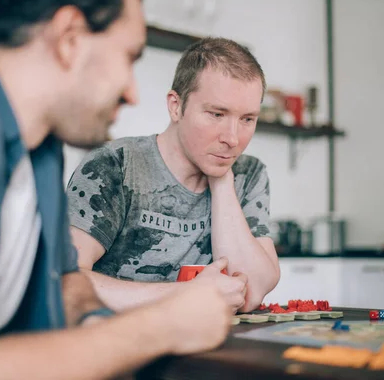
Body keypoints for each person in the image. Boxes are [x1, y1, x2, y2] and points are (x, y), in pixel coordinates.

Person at [0, 0, 232, 379]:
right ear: (69, 38)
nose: (133, 93)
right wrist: (162, 325)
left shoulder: (40, 148)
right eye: (128, 58)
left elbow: (67, 286)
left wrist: (104, 322)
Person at [67, 37, 281, 314]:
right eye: (217, 114)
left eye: (247, 119)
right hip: (118, 346)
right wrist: (184, 296)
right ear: (175, 106)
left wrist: (222, 182)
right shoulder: (114, 165)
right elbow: (65, 280)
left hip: (208, 349)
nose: (232, 138)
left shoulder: (248, 173)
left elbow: (252, 292)